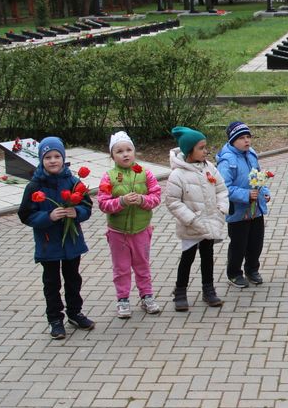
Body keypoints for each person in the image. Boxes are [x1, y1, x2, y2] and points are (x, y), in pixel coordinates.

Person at [17, 136, 95, 339]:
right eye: (48, 157)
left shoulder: (73, 182)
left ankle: (75, 313)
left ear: (63, 158)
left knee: (73, 279)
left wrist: (76, 212)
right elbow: (25, 214)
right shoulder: (35, 186)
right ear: (41, 160)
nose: (53, 161)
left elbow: (87, 207)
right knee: (51, 283)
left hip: (71, 242)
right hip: (48, 244)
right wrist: (48, 216)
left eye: (57, 156)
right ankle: (55, 319)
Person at [96, 131, 163, 319]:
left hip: (141, 230)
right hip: (118, 232)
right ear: (112, 156)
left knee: (142, 265)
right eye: (119, 151)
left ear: (134, 152)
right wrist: (121, 202)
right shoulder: (108, 177)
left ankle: (147, 295)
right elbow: (103, 203)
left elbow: (156, 197)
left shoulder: (145, 173)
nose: (125, 154)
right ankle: (123, 299)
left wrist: (142, 199)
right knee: (121, 268)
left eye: (128, 150)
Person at [164, 126, 229, 311]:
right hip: (191, 225)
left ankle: (208, 290)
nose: (205, 151)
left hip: (210, 222)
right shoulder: (177, 174)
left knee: (208, 257)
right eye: (201, 148)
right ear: (189, 150)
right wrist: (191, 219)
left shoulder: (210, 168)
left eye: (205, 147)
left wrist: (221, 209)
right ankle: (180, 291)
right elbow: (173, 201)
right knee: (188, 258)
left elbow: (221, 190)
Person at [216, 121, 271, 289]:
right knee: (239, 244)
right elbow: (224, 187)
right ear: (232, 140)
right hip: (238, 212)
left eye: (248, 137)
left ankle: (252, 269)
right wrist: (246, 194)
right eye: (241, 138)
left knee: (256, 242)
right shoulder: (227, 160)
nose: (246, 141)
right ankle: (234, 273)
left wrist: (264, 191)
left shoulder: (251, 154)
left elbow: (259, 176)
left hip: (256, 210)